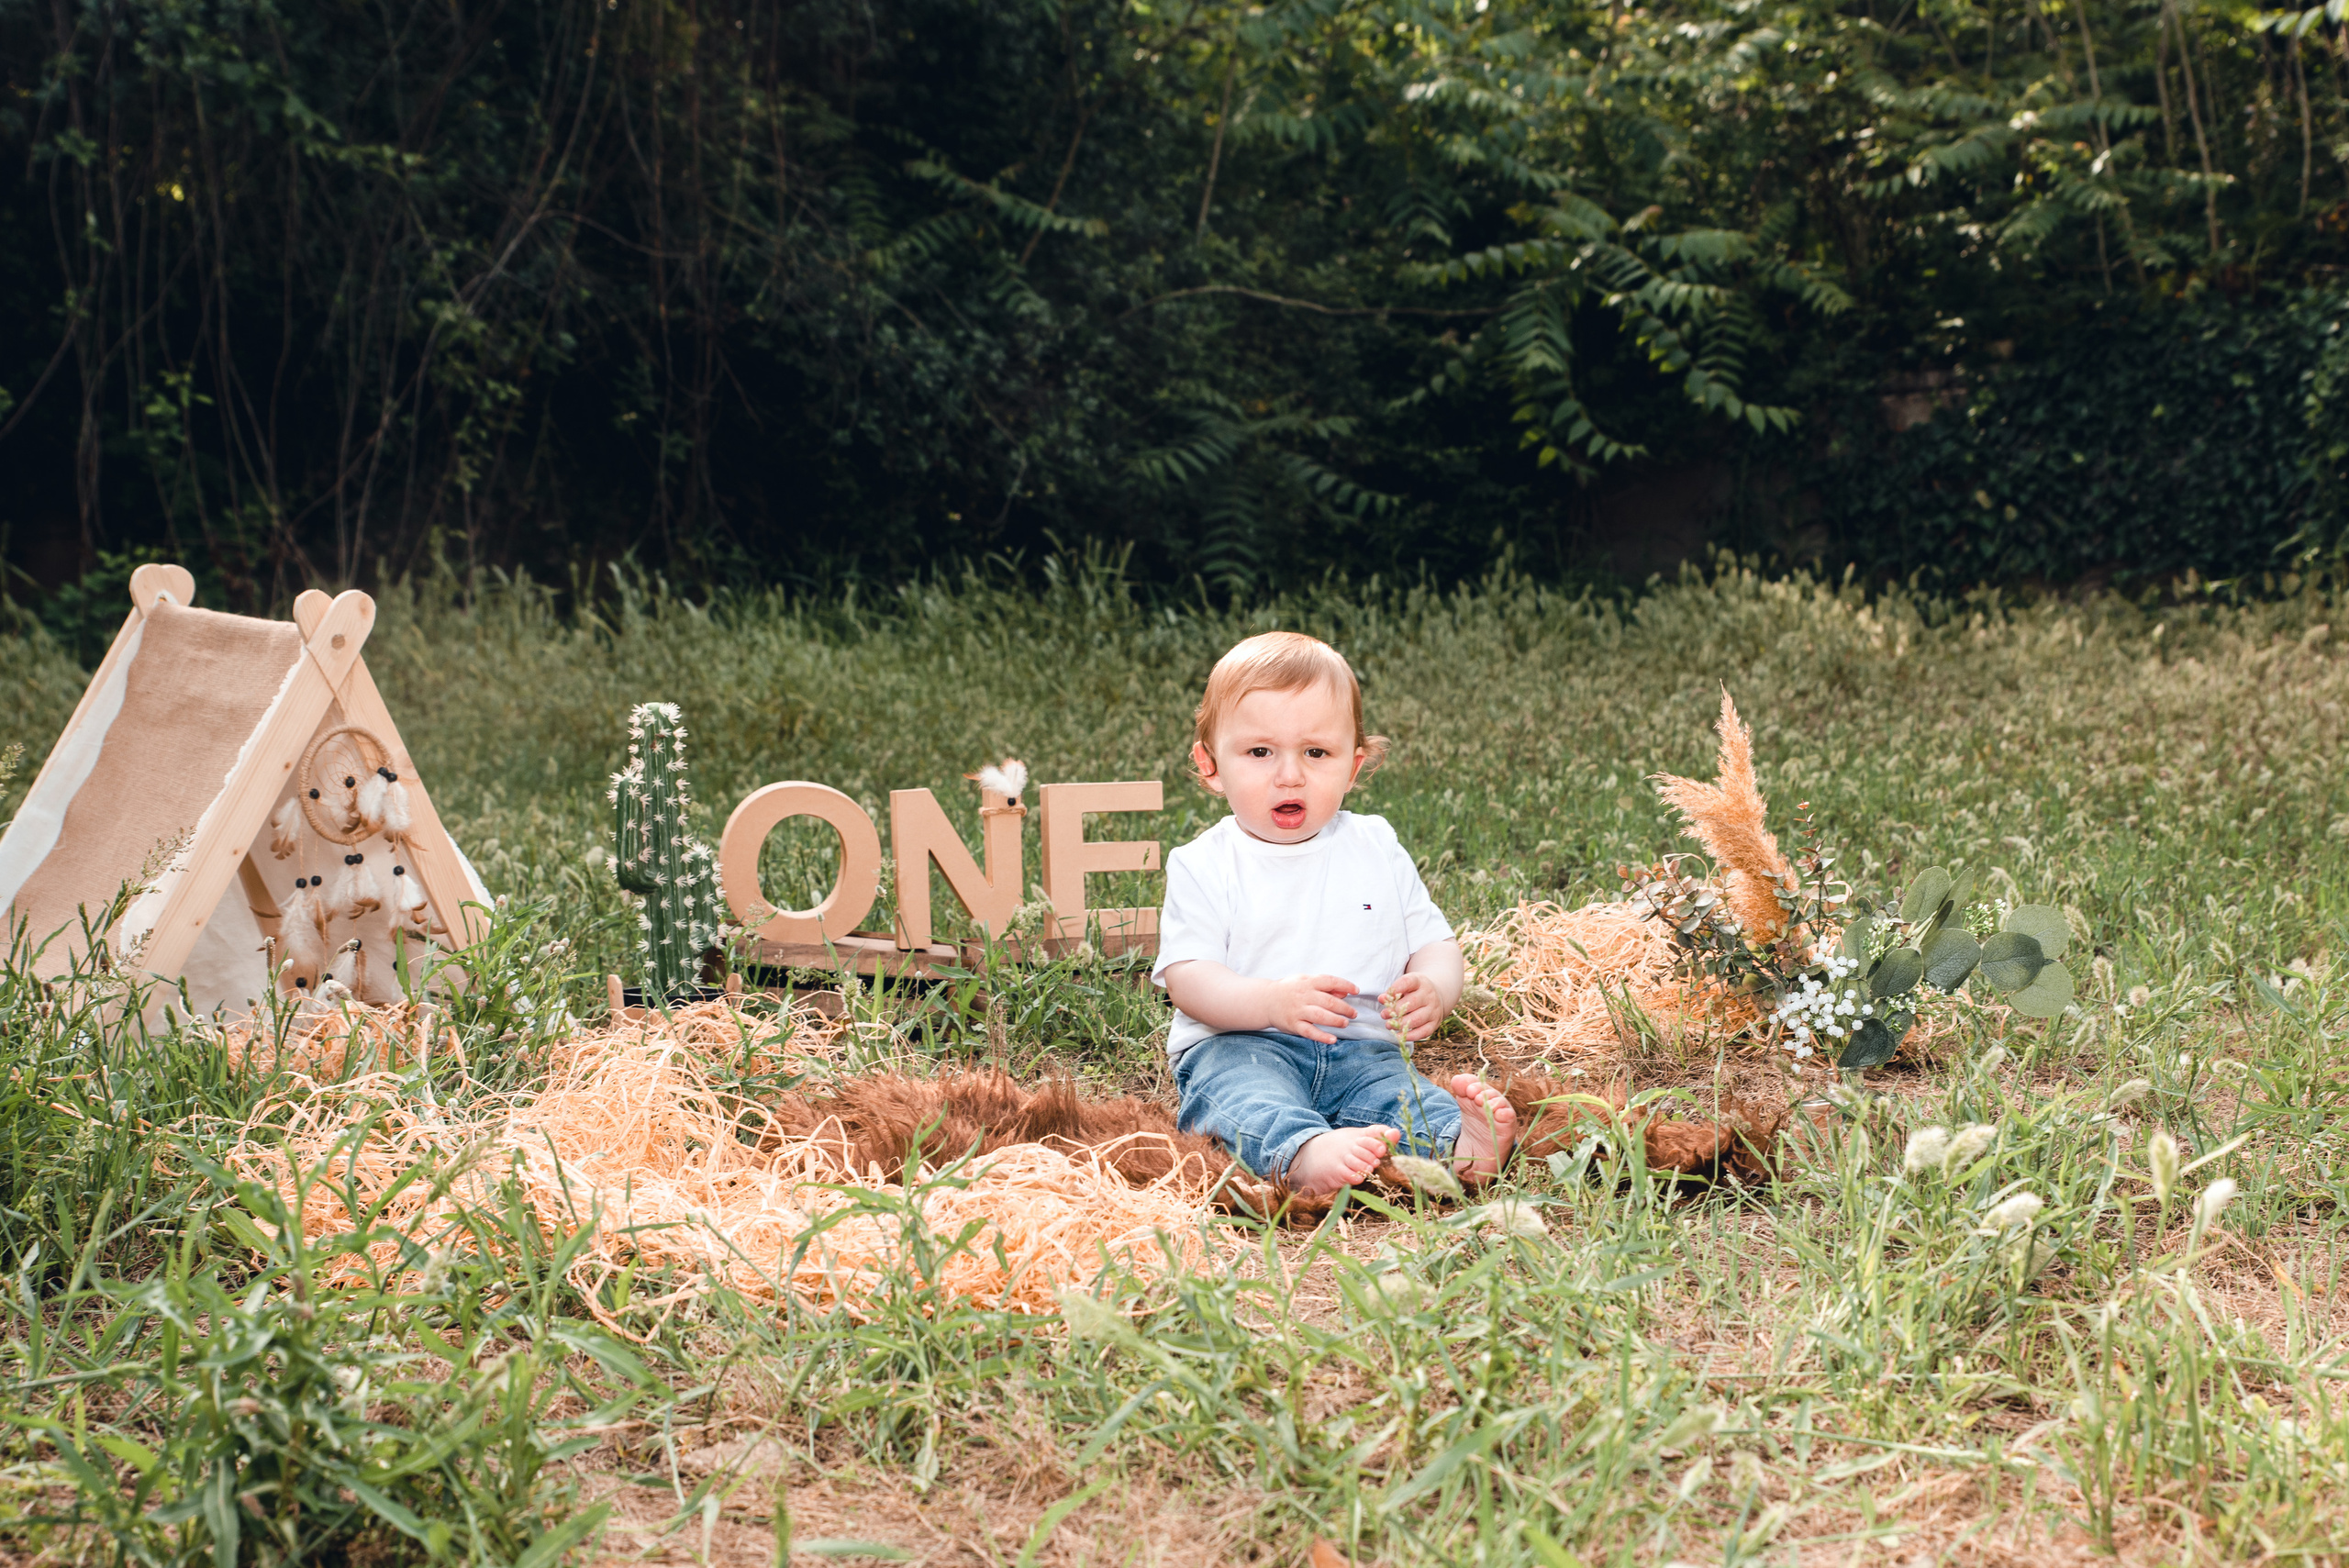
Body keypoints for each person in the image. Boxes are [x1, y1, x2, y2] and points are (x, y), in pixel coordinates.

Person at [1152, 631, 1516, 1199]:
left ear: (1354, 766)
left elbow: (1434, 943)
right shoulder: (1204, 863)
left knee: (1402, 1098)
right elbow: (1189, 980)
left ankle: (1460, 1146)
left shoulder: (1376, 846)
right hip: (1243, 1044)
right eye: (1260, 752)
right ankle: (1299, 1153)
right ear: (1211, 766)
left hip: (1365, 1048)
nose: (1290, 775)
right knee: (1239, 1099)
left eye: (1316, 753)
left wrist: (1436, 989)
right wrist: (1270, 1002)